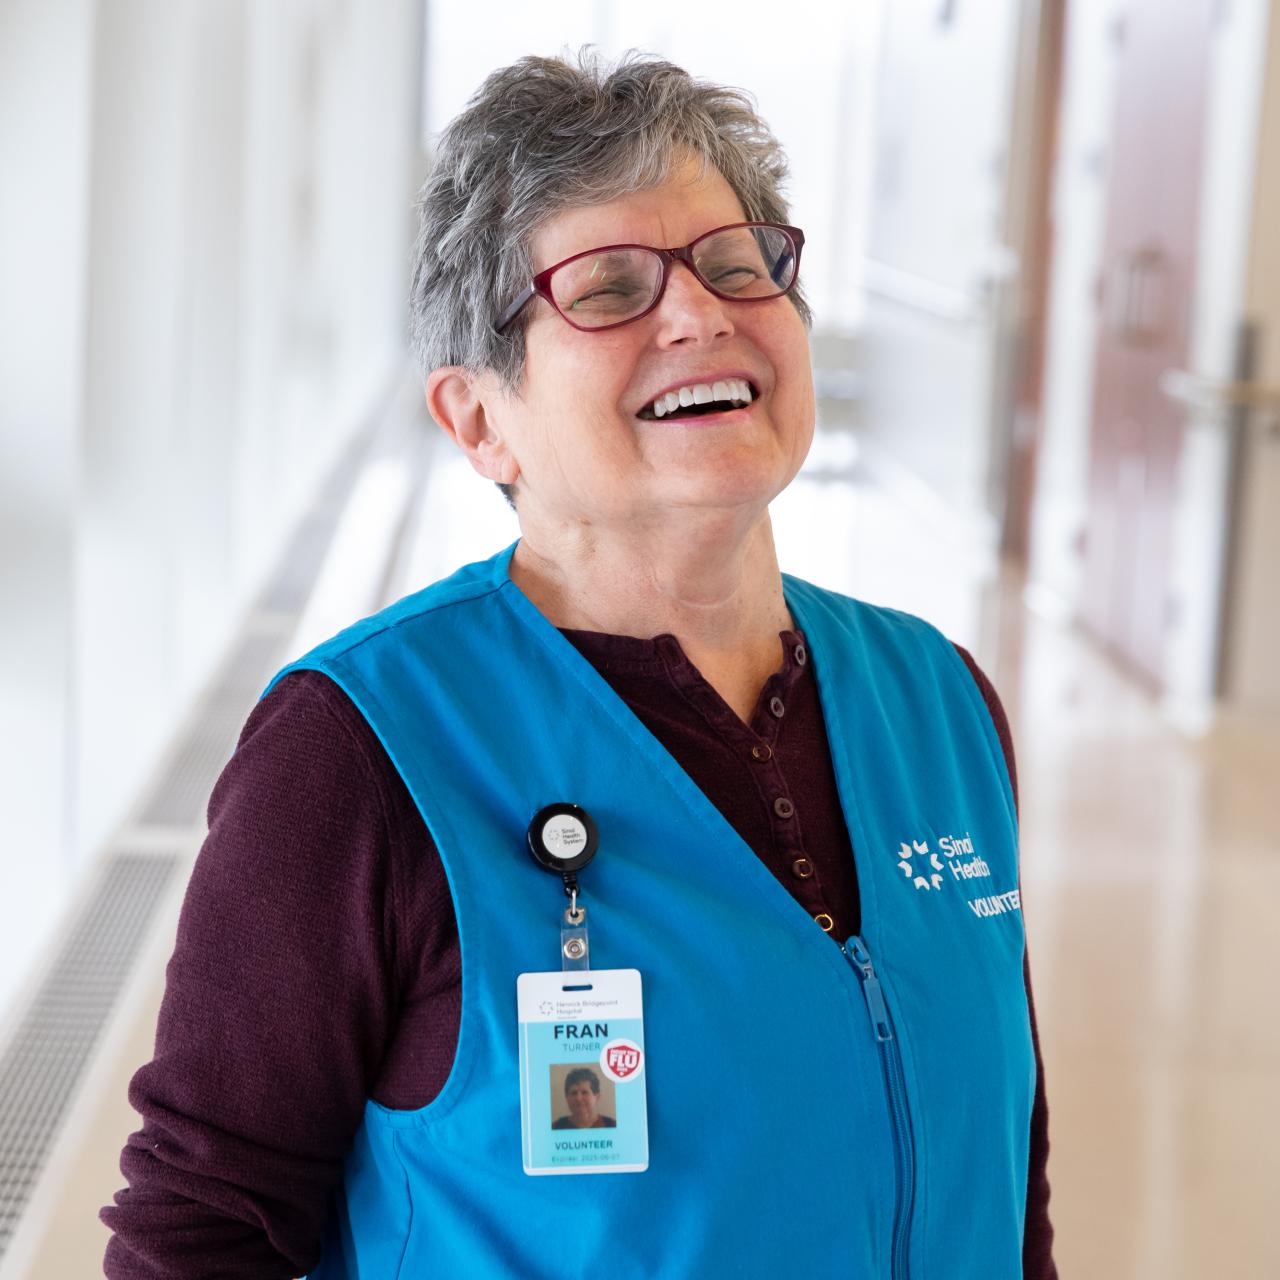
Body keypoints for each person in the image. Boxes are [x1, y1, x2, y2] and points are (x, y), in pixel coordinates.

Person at [102, 51, 1056, 1278]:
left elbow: (1002, 1155)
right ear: (477, 419)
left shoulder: (939, 702)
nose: (703, 313)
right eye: (607, 288)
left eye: (734, 262)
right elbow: (202, 1230)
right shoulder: (359, 751)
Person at [552, 1068, 617, 1130]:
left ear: (597, 1097)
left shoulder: (612, 1125)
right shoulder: (556, 1127)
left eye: (584, 1092)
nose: (578, 1098)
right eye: (573, 1093)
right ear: (566, 1098)